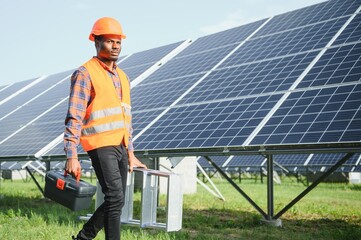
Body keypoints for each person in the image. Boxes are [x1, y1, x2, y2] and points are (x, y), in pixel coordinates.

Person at [63, 17, 147, 240]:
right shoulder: (85, 73)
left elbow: (126, 118)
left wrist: (131, 153)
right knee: (115, 196)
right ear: (96, 42)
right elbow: (74, 116)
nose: (115, 46)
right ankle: (85, 237)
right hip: (100, 145)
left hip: (120, 144)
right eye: (109, 41)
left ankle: (83, 238)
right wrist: (71, 155)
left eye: (118, 41)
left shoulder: (123, 77)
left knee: (116, 200)